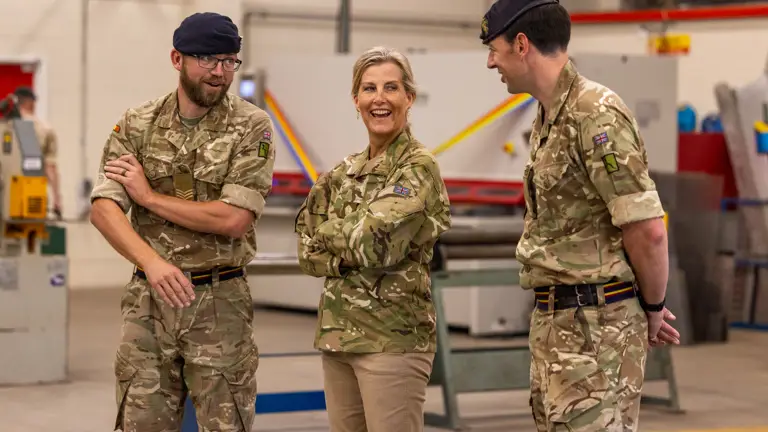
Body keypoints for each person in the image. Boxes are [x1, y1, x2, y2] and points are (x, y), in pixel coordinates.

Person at [480, 1, 681, 431]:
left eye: (494, 48)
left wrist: (653, 305)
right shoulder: (551, 114)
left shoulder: (595, 113)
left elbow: (647, 229)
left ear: (521, 44)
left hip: (596, 328)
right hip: (560, 323)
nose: (490, 61)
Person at [89, 12, 274, 432]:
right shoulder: (137, 123)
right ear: (177, 59)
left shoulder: (251, 126)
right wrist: (151, 263)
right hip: (149, 303)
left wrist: (149, 197)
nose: (220, 72)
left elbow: (232, 218)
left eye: (230, 61)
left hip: (218, 301)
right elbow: (103, 209)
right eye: (208, 59)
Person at [294, 46, 451, 432]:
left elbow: (376, 245)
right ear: (356, 100)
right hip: (337, 338)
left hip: (392, 341)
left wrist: (333, 234)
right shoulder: (344, 171)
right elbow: (304, 247)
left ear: (408, 98)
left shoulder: (417, 165)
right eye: (369, 89)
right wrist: (349, 237)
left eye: (391, 88)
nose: (379, 99)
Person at [14, 86, 62, 218]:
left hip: (8, 198)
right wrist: (57, 200)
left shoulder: (7, 127)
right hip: (34, 196)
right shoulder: (45, 128)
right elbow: (50, 167)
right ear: (32, 102)